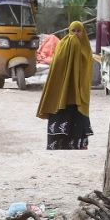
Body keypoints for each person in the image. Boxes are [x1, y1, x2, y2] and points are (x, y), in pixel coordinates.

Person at [37, 21, 96, 150]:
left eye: (78, 31)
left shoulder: (86, 48)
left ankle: (77, 144)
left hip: (78, 92)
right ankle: (58, 144)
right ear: (69, 31)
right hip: (62, 91)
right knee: (62, 114)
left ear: (83, 33)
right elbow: (57, 65)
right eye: (73, 31)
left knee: (77, 116)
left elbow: (87, 70)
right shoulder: (63, 45)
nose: (75, 34)